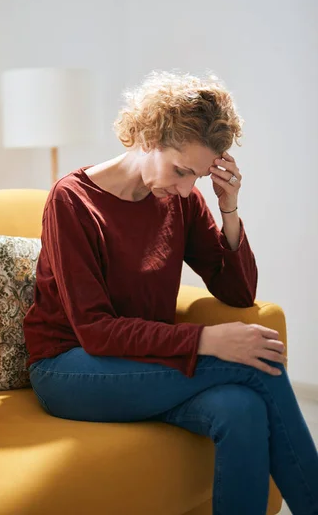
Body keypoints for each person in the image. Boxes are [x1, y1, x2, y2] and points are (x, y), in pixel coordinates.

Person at [23, 70, 318, 515]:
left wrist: (229, 207)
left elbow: (238, 292)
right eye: (181, 170)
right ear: (147, 134)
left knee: (243, 410)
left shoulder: (181, 199)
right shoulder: (72, 201)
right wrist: (206, 340)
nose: (186, 187)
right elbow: (96, 332)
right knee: (262, 367)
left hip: (144, 363)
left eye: (197, 176)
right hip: (69, 367)